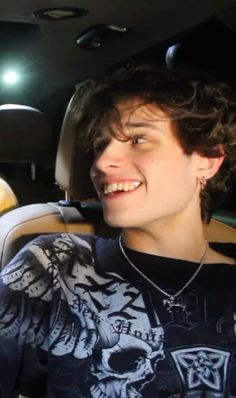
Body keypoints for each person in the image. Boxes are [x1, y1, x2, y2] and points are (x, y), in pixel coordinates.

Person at [0, 64, 236, 398]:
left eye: (139, 139)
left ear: (208, 159)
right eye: (99, 146)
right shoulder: (57, 264)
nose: (101, 163)